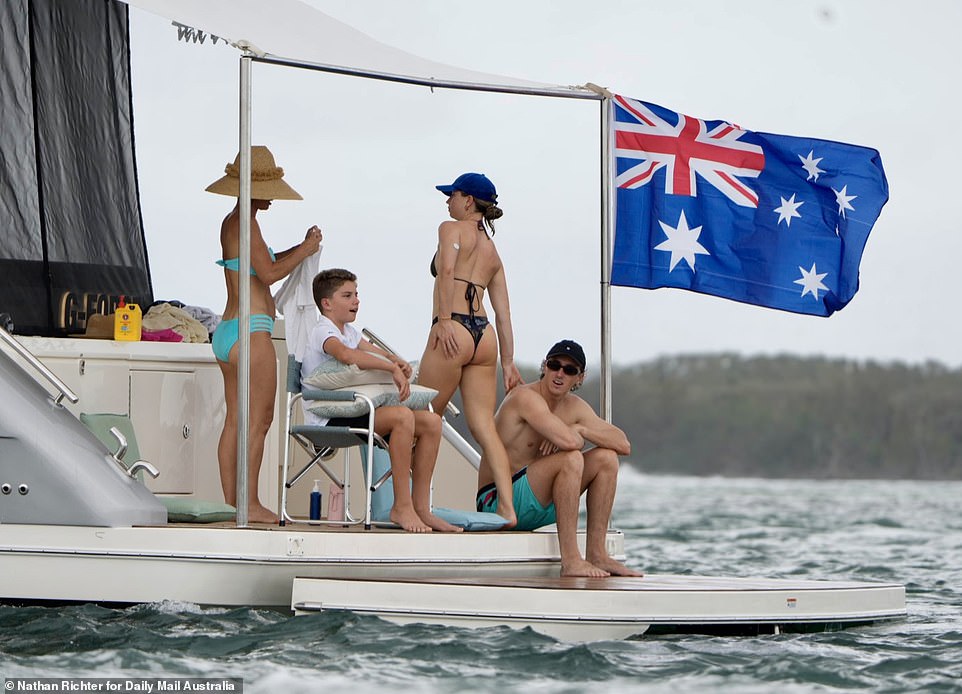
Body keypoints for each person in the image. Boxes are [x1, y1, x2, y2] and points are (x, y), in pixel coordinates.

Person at [206, 145, 322, 524]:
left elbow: (263, 264)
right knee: (260, 420)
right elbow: (271, 275)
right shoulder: (245, 222)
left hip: (228, 332)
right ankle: (249, 502)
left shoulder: (235, 221)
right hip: (252, 330)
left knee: (236, 420)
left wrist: (302, 250)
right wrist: (305, 249)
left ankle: (232, 502)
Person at [303, 269, 461, 533]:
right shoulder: (322, 331)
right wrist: (391, 369)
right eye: (347, 295)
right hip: (329, 418)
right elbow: (347, 355)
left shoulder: (350, 332)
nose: (356, 300)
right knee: (402, 417)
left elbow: (375, 352)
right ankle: (401, 506)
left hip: (356, 410)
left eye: (356, 294)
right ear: (327, 304)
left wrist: (397, 363)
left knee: (432, 422)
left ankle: (421, 508)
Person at [477, 340, 643, 577]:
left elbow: (622, 444)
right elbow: (570, 444)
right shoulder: (524, 397)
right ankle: (572, 560)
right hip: (498, 502)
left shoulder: (574, 407)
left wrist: (581, 429)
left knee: (606, 459)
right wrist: (571, 435)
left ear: (580, 378)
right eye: (555, 365)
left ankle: (597, 554)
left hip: (539, 502)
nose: (559, 374)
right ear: (545, 366)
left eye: (569, 370)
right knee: (571, 459)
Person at [417, 172, 523, 528]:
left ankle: (419, 507)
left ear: (467, 201)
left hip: (454, 328)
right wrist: (508, 361)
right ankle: (507, 508)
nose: (446, 201)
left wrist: (444, 320)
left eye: (452, 195)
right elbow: (504, 312)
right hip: (485, 337)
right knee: (484, 427)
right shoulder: (493, 251)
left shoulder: (450, 229)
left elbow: (446, 270)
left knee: (426, 416)